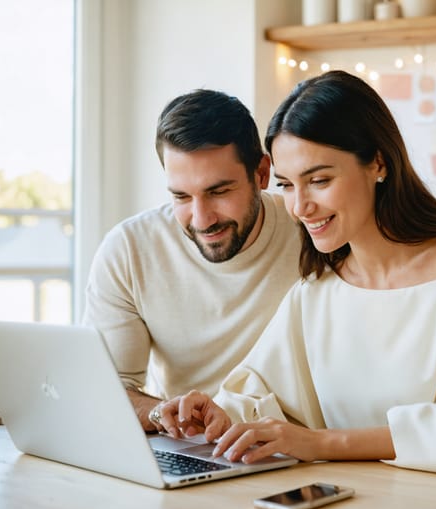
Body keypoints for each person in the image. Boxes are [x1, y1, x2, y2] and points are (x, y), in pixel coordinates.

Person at [152, 71, 436, 487]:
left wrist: (322, 443)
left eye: (319, 180)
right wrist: (218, 415)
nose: (300, 207)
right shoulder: (318, 290)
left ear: (379, 163)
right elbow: (262, 393)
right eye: (286, 185)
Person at [83, 89, 301, 431]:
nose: (202, 219)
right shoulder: (129, 249)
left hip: (290, 446)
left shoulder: (311, 235)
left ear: (261, 174)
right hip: (187, 448)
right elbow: (108, 388)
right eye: (181, 196)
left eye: (218, 192)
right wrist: (164, 414)